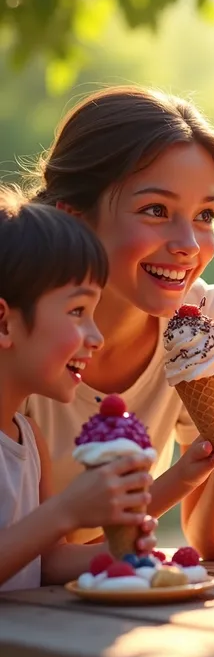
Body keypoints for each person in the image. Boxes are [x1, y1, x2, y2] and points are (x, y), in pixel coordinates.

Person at [25, 85, 214, 559]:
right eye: (156, 210)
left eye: (205, 214)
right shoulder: (19, 333)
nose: (189, 243)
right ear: (74, 218)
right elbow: (37, 553)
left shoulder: (211, 321)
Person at [0, 186, 156, 590]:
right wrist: (66, 511)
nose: (97, 336)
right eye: (77, 311)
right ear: (4, 323)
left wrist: (119, 552)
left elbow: (45, 562)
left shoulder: (28, 438)